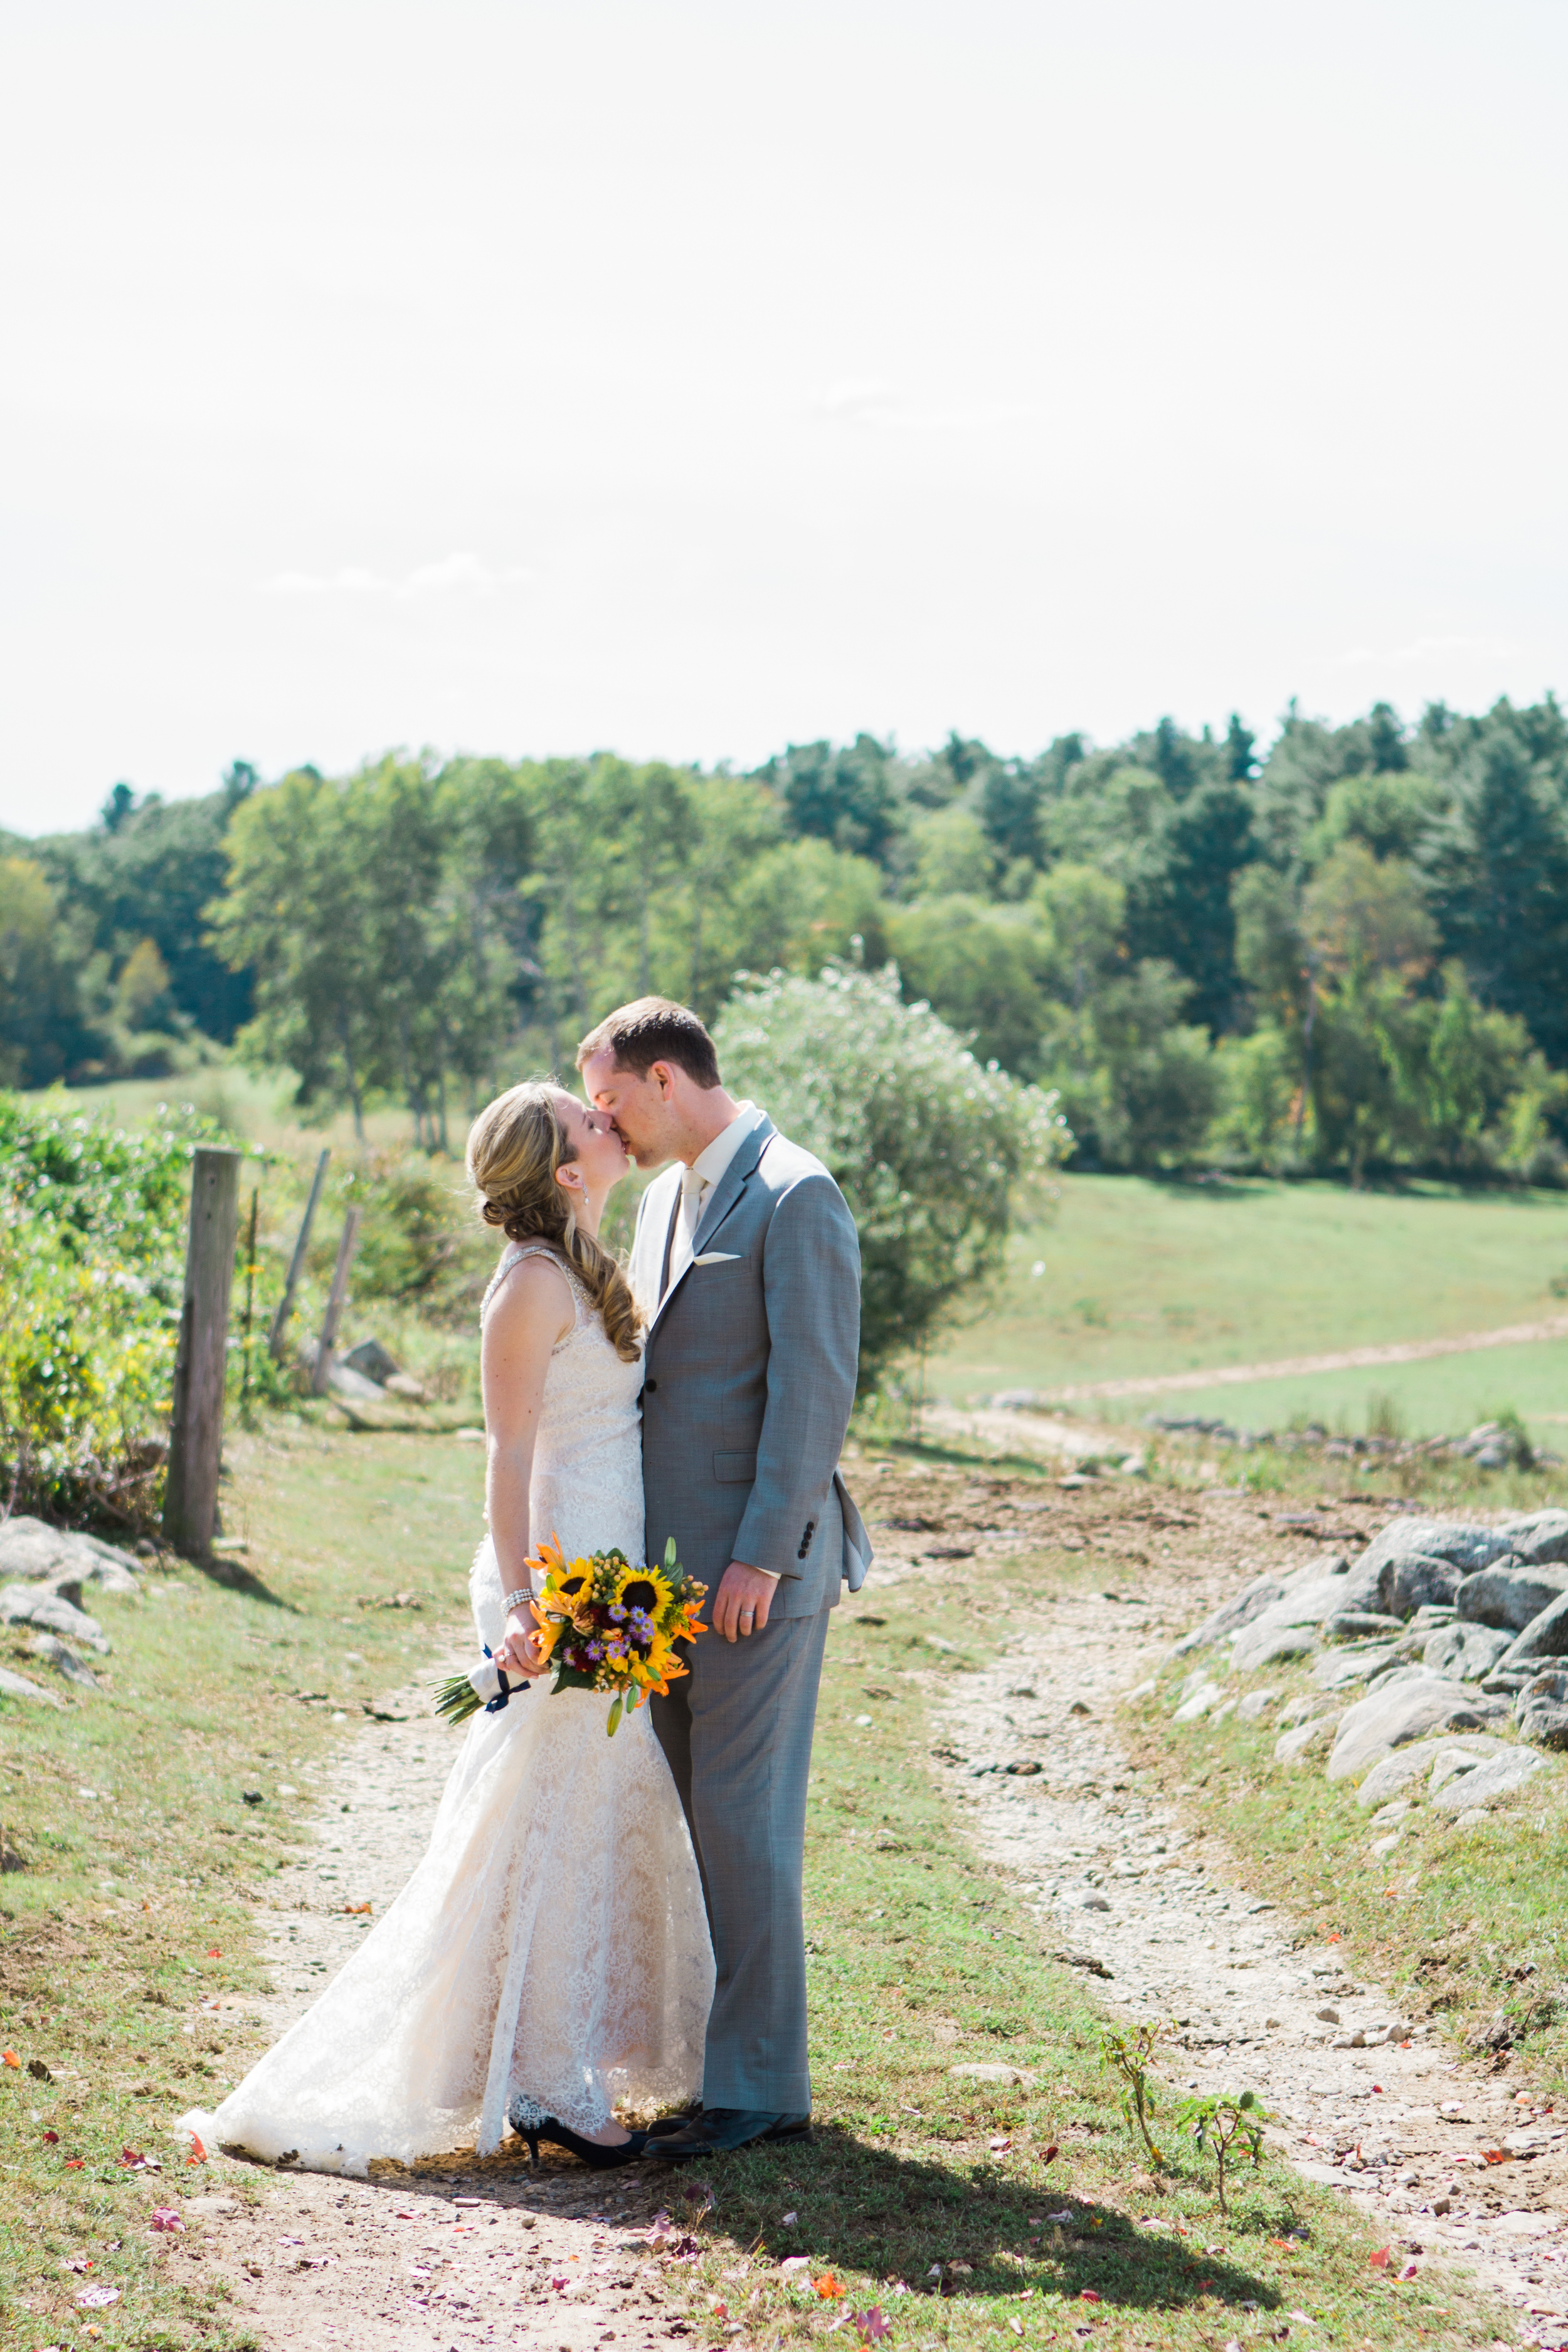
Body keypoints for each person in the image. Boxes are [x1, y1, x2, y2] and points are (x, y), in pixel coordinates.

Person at [179, 1083, 713, 2177]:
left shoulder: (583, 1262)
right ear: (565, 1170)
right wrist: (526, 1607)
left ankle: (546, 2061)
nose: (610, 1122)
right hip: (555, 1587)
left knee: (575, 1818)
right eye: (590, 1122)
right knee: (534, 1823)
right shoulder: (526, 1287)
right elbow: (507, 1457)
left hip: (606, 1582)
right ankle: (538, 2082)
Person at [578, 997, 869, 2159]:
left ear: (663, 1078)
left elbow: (814, 1393)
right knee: (690, 1821)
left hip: (758, 1575)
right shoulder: (658, 1198)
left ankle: (761, 2089)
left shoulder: (799, 1194)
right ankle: (712, 2066)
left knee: (745, 1824)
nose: (606, 1122)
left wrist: (758, 1551)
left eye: (609, 1101)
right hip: (659, 1582)